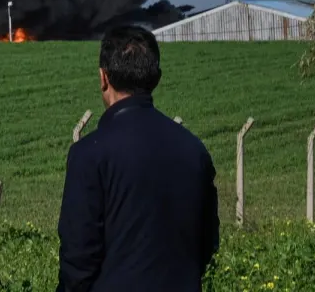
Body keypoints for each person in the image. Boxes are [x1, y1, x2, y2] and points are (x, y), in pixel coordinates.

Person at [57, 25, 220, 292]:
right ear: (156, 78)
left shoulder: (89, 154)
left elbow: (78, 258)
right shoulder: (194, 150)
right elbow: (207, 240)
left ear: (103, 77)